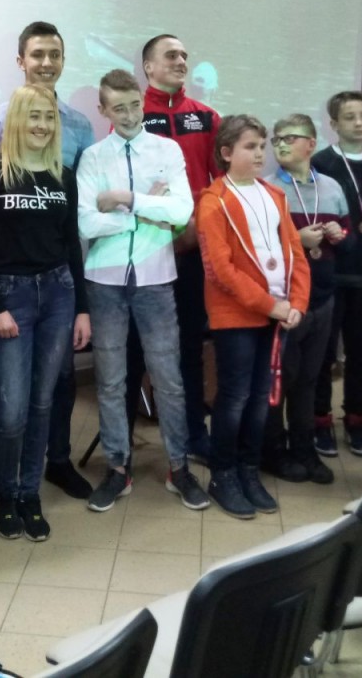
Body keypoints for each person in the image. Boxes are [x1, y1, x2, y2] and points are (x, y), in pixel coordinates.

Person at [0, 21, 96, 508]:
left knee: (53, 386)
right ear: (21, 60)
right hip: (11, 288)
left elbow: (70, 226)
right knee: (5, 392)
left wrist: (80, 304)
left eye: (54, 54)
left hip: (57, 284)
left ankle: (50, 467)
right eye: (37, 54)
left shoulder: (78, 128)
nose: (46, 62)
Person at [76, 69, 209, 513]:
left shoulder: (166, 150)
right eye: (120, 108)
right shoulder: (93, 157)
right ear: (104, 110)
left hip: (156, 279)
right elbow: (86, 223)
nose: (131, 115)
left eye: (135, 105)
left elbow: (181, 212)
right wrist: (145, 212)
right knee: (111, 381)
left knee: (169, 378)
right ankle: (118, 469)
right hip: (105, 282)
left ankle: (179, 468)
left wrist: (125, 198)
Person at [196, 115, 310, 519]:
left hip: (276, 312)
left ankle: (248, 469)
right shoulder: (214, 201)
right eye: (250, 147)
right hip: (237, 316)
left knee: (261, 398)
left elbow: (294, 251)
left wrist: (297, 302)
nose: (260, 154)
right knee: (235, 397)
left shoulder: (274, 194)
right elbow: (221, 270)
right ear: (226, 153)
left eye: (262, 146)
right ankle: (223, 474)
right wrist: (269, 305)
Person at [141, 34, 221, 464]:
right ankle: (123, 447)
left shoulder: (207, 117)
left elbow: (221, 184)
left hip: (192, 251)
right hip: (145, 252)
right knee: (138, 349)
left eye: (185, 55)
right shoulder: (132, 114)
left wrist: (194, 227)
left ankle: (193, 432)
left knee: (190, 345)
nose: (181, 61)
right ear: (149, 67)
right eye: (171, 55)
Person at [262, 114, 351, 485]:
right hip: (285, 302)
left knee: (310, 379)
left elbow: (348, 235)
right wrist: (296, 240)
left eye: (289, 138)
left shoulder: (331, 187)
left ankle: (304, 449)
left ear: (311, 144)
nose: (280, 144)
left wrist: (339, 233)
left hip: (323, 298)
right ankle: (273, 451)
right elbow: (260, 247)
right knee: (281, 379)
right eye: (276, 139)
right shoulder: (268, 188)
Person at [310, 91, 362, 457]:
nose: (359, 123)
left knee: (361, 353)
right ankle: (320, 421)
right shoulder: (321, 162)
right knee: (324, 354)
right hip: (330, 274)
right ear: (333, 124)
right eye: (349, 117)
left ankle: (357, 419)